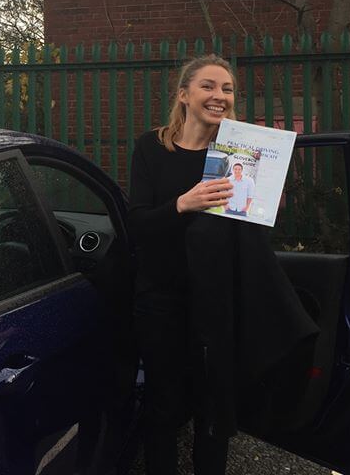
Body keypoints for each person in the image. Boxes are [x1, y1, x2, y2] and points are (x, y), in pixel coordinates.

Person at [128, 54, 318, 475]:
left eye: (227, 89)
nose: (220, 96)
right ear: (184, 95)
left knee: (214, 411)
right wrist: (182, 204)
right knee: (164, 407)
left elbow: (248, 234)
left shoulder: (239, 152)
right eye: (209, 87)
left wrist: (266, 186)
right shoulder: (151, 147)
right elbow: (137, 224)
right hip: (160, 300)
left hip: (216, 303)